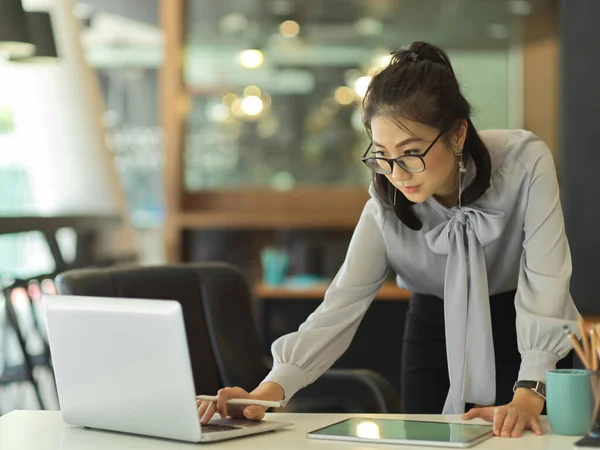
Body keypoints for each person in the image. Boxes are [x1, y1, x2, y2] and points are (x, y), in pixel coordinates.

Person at [197, 41, 580, 439]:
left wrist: (530, 388)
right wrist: (266, 393)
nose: (396, 173)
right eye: (382, 154)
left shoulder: (524, 164)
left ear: (458, 133)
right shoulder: (384, 204)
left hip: (527, 326)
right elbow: (340, 306)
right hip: (434, 328)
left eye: (411, 152)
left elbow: (546, 278)